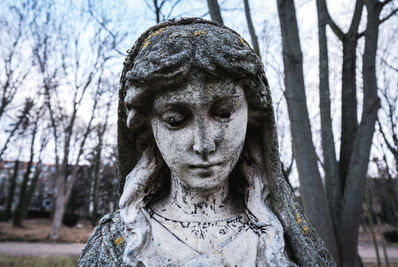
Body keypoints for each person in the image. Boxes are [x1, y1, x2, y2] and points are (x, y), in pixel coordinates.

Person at [79, 18, 335, 267]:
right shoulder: (115, 245)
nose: (204, 144)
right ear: (148, 127)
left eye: (223, 114)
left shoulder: (280, 241)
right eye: (176, 120)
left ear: (252, 116)